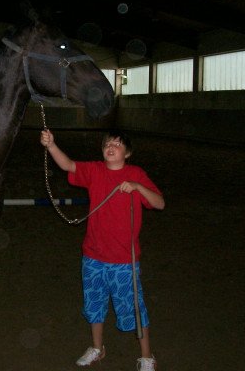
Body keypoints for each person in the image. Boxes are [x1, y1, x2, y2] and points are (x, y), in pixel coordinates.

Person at [40, 128, 165, 371]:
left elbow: (160, 203)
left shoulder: (135, 173)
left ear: (127, 153)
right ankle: (97, 348)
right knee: (94, 304)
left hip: (124, 260)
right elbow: (69, 166)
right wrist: (52, 145)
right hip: (93, 256)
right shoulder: (95, 170)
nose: (111, 147)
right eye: (108, 143)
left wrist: (138, 187)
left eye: (117, 144)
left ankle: (147, 356)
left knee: (133, 308)